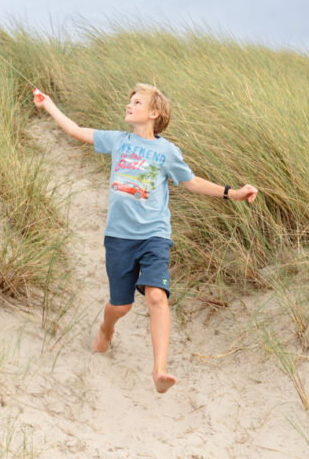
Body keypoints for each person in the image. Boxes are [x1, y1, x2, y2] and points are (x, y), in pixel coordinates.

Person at [33, 83, 257, 393]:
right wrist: (49, 105)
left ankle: (159, 370)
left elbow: (190, 182)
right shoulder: (118, 140)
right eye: (130, 101)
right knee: (120, 306)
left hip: (154, 235)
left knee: (156, 296)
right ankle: (106, 329)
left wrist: (231, 194)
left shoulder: (166, 151)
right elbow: (74, 130)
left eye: (137, 102)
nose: (129, 105)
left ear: (155, 113)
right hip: (119, 236)